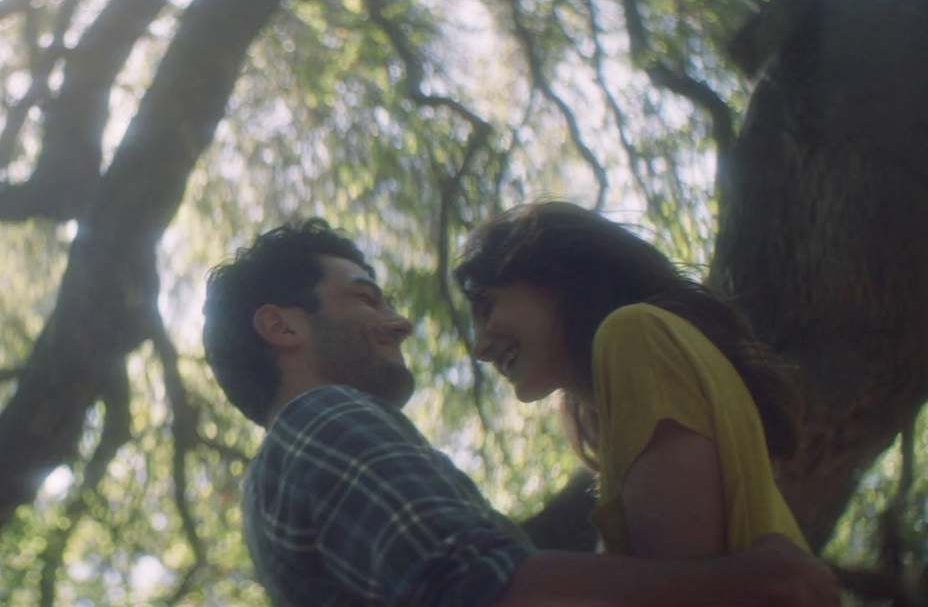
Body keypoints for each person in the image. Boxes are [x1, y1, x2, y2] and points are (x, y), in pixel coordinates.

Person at [202, 218, 836, 607]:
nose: (401, 322)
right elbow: (472, 589)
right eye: (366, 299)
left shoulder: (285, 483)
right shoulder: (324, 419)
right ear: (281, 326)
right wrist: (751, 584)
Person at [453, 201, 807, 557]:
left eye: (488, 308)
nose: (481, 347)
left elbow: (687, 584)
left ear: (555, 276)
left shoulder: (636, 335)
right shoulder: (638, 365)